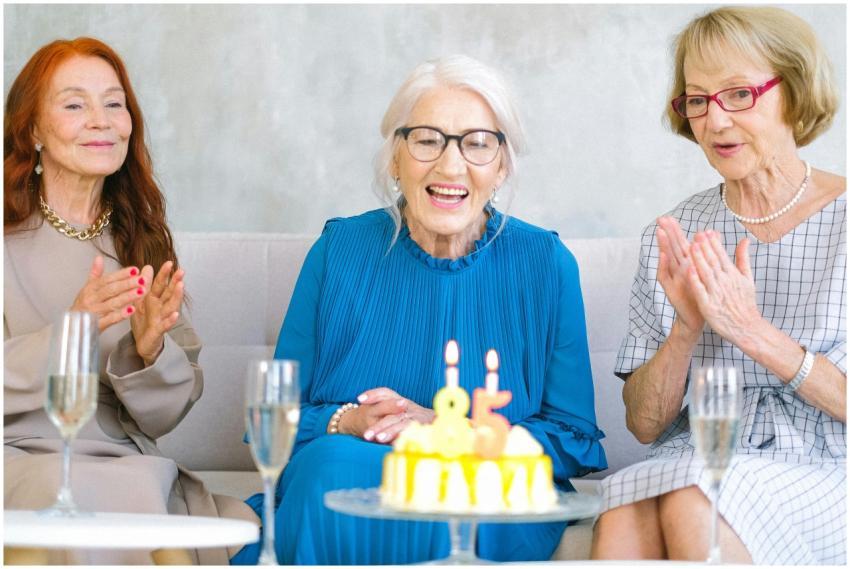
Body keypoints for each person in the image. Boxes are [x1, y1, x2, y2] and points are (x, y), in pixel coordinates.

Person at [231, 54, 607, 564]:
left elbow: (574, 437)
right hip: (345, 467)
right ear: (395, 158)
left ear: (501, 166)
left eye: (477, 144)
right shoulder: (338, 250)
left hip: (483, 480)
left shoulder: (546, 263)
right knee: (329, 469)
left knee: (459, 492)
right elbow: (273, 419)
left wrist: (451, 431)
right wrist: (350, 420)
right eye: (428, 140)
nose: (450, 166)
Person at [591, 7, 845, 564]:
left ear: (795, 91)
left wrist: (751, 331)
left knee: (693, 499)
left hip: (825, 463)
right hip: (698, 452)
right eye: (698, 100)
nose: (715, 121)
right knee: (624, 507)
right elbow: (644, 425)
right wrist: (685, 330)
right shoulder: (675, 231)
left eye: (738, 95)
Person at [4, 37, 256, 564]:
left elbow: (164, 418)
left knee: (141, 487)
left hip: (124, 456)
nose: (101, 121)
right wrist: (72, 330)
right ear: (33, 130)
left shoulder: (141, 240)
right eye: (75, 105)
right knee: (70, 493)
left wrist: (149, 350)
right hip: (21, 454)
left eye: (114, 103)